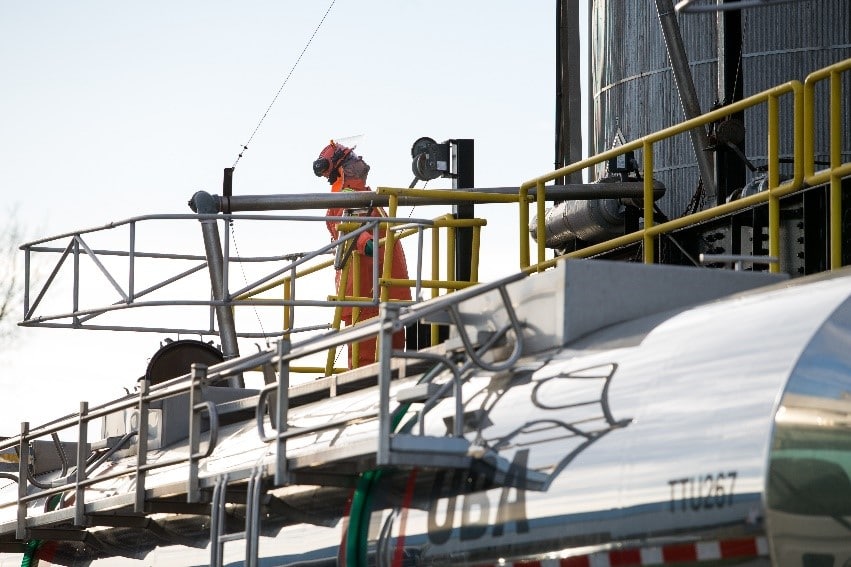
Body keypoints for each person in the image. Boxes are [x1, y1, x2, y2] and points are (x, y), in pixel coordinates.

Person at [313, 140, 411, 369]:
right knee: (366, 363)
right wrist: (367, 243)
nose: (359, 159)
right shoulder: (344, 197)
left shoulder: (365, 196)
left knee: (395, 360)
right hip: (365, 291)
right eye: (352, 158)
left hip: (386, 289)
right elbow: (348, 229)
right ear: (342, 168)